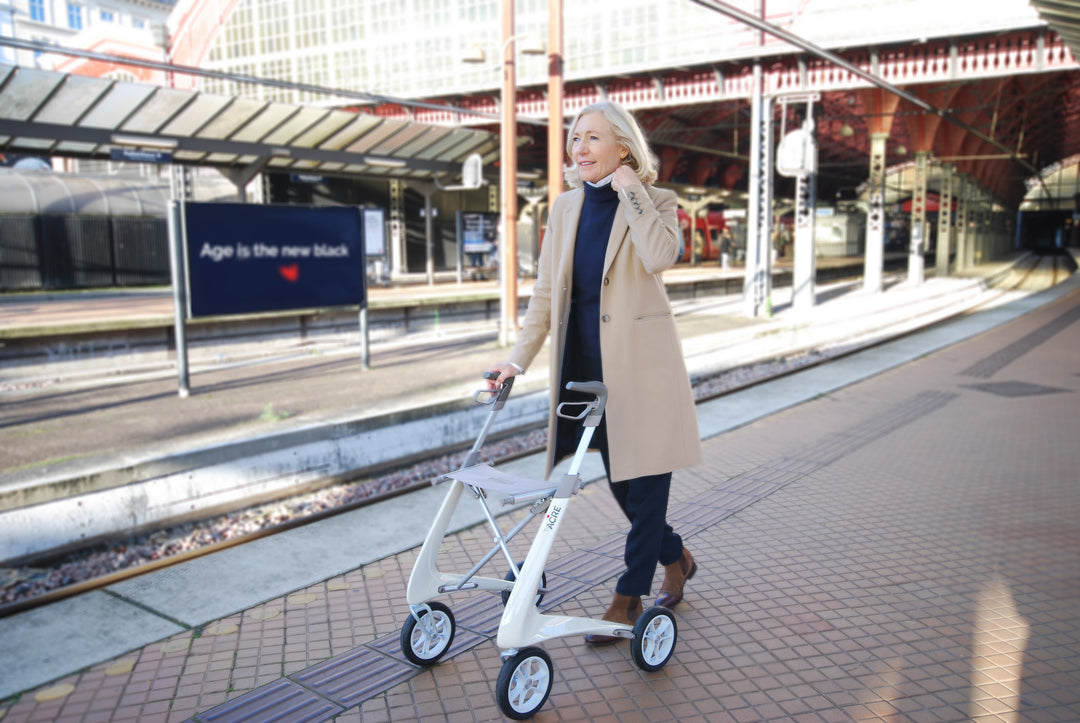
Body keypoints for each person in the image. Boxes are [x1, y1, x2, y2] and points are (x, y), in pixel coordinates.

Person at [486, 101, 702, 645]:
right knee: (620, 485)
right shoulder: (563, 209)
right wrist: (518, 357)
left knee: (645, 486)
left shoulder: (656, 201)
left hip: (642, 371)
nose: (578, 148)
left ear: (622, 147)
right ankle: (675, 557)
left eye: (592, 139)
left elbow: (660, 256)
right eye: (575, 138)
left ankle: (627, 599)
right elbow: (543, 294)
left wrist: (631, 187)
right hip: (586, 373)